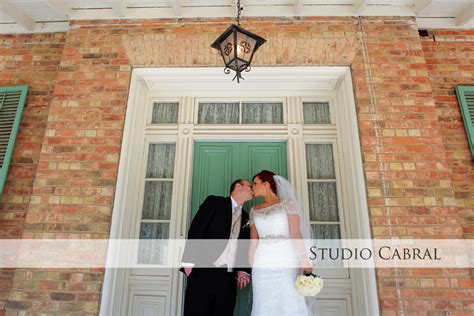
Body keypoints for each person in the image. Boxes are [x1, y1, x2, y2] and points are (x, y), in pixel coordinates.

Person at [181, 179, 254, 316]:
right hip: (202, 271)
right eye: (250, 186)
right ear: (238, 186)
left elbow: (245, 245)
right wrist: (188, 262)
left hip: (227, 278)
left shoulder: (246, 217)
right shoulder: (215, 203)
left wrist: (243, 270)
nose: (253, 190)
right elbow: (197, 229)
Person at [249, 170, 313, 316]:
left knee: (289, 299)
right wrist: (251, 263)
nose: (253, 187)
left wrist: (304, 260)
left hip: (286, 258)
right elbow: (254, 240)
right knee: (263, 302)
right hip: (262, 261)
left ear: (266, 184)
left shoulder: (287, 205)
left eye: (255, 183)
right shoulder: (254, 210)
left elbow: (296, 233)